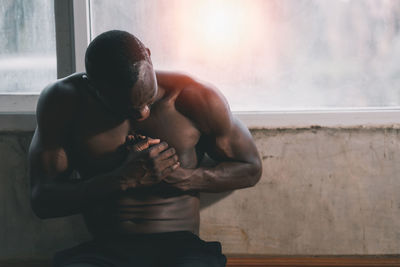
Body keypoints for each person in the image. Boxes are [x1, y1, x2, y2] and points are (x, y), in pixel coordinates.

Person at [28, 30, 262, 267]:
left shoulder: (194, 97)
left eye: (149, 99)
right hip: (105, 249)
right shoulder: (64, 102)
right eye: (127, 108)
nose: (142, 113)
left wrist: (183, 178)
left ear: (149, 57)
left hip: (180, 248)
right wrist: (121, 179)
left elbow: (250, 169)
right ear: (93, 87)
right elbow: (43, 201)